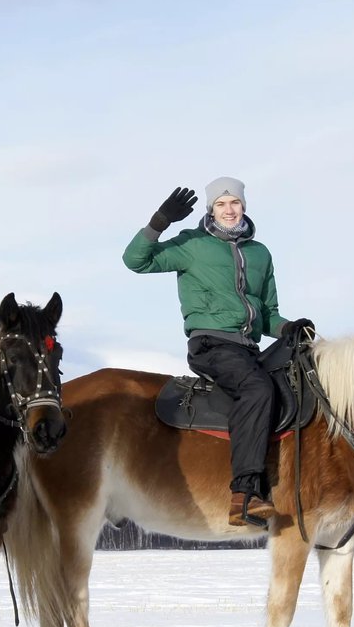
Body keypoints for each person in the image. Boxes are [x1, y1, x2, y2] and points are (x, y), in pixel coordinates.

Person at [123, 177, 287, 528]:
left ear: (244, 206)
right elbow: (135, 261)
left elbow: (268, 312)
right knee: (257, 389)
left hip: (249, 348)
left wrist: (288, 328)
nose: (229, 210)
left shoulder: (260, 253)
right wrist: (159, 222)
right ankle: (244, 494)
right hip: (211, 345)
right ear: (211, 209)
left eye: (235, 203)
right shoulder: (192, 244)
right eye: (221, 204)